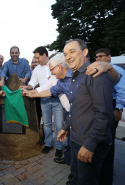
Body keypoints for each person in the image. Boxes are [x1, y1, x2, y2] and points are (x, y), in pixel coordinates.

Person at [57, 39, 114, 185]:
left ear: (85, 52)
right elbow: (76, 107)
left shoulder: (95, 74)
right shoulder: (76, 76)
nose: (68, 56)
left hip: (89, 145)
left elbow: (103, 114)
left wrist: (90, 144)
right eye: (65, 54)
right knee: (77, 178)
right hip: (76, 141)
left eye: (72, 51)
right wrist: (65, 127)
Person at [22, 47, 64, 157]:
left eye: (38, 57)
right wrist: (27, 87)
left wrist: (34, 92)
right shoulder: (36, 70)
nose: (36, 60)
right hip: (44, 99)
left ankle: (59, 147)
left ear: (44, 55)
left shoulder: (55, 64)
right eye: (35, 58)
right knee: (47, 124)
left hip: (57, 98)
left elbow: (51, 84)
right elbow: (32, 83)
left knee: (59, 124)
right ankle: (48, 144)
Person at [95, 48, 125, 185]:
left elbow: (122, 91)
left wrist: (118, 108)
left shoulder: (117, 71)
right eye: (96, 57)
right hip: (101, 106)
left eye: (101, 56)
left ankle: (107, 177)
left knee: (109, 141)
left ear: (109, 57)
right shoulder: (98, 72)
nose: (98, 59)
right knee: (100, 139)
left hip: (112, 106)